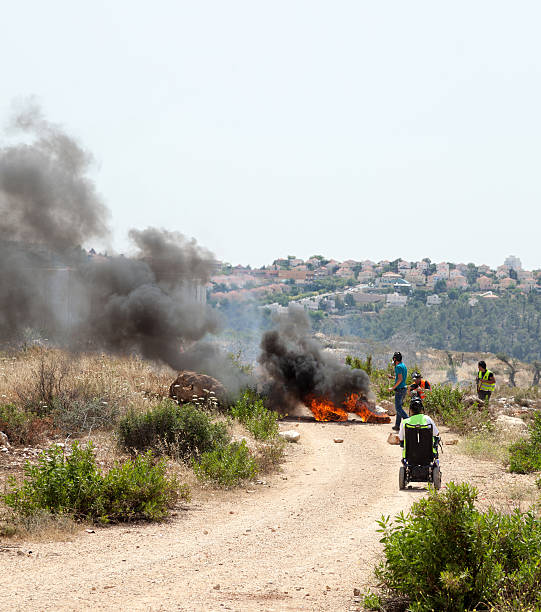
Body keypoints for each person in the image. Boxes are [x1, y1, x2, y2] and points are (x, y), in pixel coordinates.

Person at [388, 351, 407, 431]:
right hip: (404, 389)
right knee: (399, 407)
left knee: (398, 408)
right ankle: (397, 426)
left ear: (395, 359)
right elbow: (400, 377)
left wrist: (392, 388)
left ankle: (408, 421)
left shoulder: (398, 367)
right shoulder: (403, 366)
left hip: (399, 390)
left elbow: (400, 379)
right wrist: (392, 377)